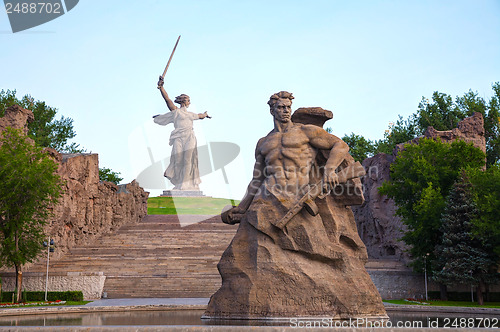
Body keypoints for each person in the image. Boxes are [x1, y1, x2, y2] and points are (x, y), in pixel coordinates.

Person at [153, 77, 210, 190]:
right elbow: (168, 100)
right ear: (184, 101)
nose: (190, 102)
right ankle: (179, 181)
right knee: (178, 159)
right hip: (178, 137)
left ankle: (186, 183)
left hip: (189, 137)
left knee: (188, 159)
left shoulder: (191, 114)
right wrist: (161, 88)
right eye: (189, 100)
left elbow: (200, 116)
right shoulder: (176, 112)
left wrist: (205, 114)